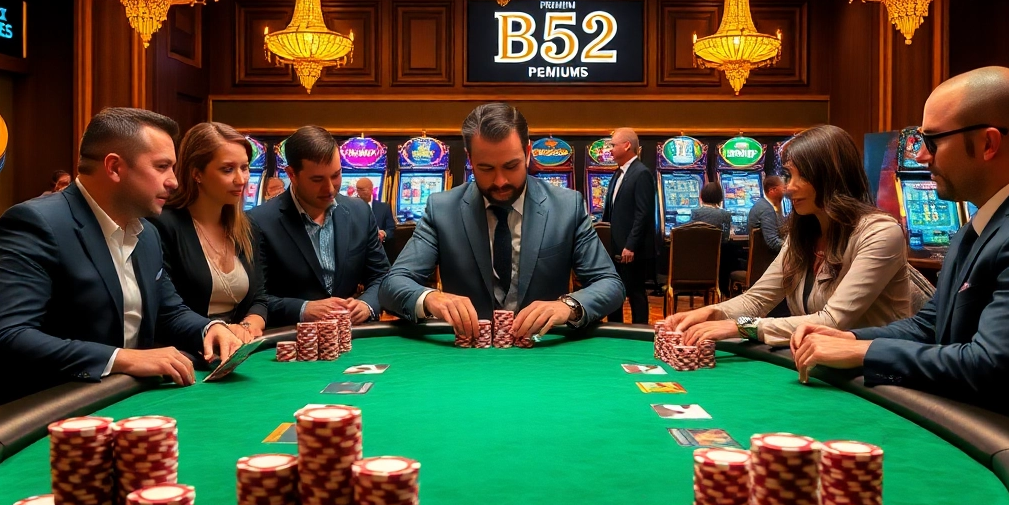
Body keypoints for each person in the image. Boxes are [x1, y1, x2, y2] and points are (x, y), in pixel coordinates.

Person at [791, 67, 1009, 459]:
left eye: (931, 140)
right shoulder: (989, 221)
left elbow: (993, 368)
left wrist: (863, 353)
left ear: (988, 143)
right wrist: (852, 338)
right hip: (987, 430)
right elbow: (930, 325)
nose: (920, 155)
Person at [0, 109, 242, 415]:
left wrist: (210, 328)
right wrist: (122, 358)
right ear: (114, 167)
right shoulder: (36, 223)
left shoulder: (147, 232)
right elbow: (8, 338)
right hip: (32, 414)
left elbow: (169, 311)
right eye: (162, 167)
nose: (174, 182)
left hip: (117, 402)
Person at [380, 103, 624, 338]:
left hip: (543, 354)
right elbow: (392, 285)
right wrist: (431, 298)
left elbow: (610, 284)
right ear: (470, 158)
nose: (500, 181)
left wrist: (568, 306)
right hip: (468, 355)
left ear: (527, 153)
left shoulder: (566, 206)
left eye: (511, 166)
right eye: (486, 168)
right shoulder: (442, 209)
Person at [670, 125, 911, 347]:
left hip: (876, 378)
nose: (789, 188)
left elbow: (833, 321)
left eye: (802, 176)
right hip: (818, 363)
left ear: (832, 177)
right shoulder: (804, 233)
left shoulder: (879, 233)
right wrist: (713, 312)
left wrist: (741, 327)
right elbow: (757, 300)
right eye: (789, 176)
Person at [249, 125, 389, 327]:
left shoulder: (360, 212)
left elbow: (382, 277)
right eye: (317, 179)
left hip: (350, 338)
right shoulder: (259, 221)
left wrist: (367, 304)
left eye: (336, 175)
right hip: (289, 339)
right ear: (292, 175)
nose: (330, 188)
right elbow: (255, 301)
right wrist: (304, 309)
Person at [150, 122, 268, 342]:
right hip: (187, 351)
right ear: (197, 174)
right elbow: (165, 311)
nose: (241, 179)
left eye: (244, 167)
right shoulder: (162, 226)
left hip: (237, 348)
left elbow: (259, 299)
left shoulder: (247, 227)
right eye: (227, 169)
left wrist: (248, 324)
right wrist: (218, 331)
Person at [601, 127, 657, 324]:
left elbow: (644, 213)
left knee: (635, 292)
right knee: (615, 290)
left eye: (613, 145)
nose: (610, 149)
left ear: (626, 146)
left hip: (632, 249)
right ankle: (615, 329)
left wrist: (631, 245)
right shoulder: (619, 173)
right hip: (615, 246)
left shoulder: (641, 173)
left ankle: (640, 331)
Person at [746, 175, 786, 254]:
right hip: (767, 261)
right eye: (783, 188)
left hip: (762, 258)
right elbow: (773, 242)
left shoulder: (763, 204)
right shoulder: (767, 209)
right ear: (772, 190)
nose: (785, 191)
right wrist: (792, 247)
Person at [355, 177, 396, 245]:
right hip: (357, 250)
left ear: (371, 189)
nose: (360, 193)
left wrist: (384, 234)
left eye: (363, 190)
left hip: (377, 249)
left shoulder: (384, 208)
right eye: (358, 190)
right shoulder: (351, 207)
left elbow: (391, 229)